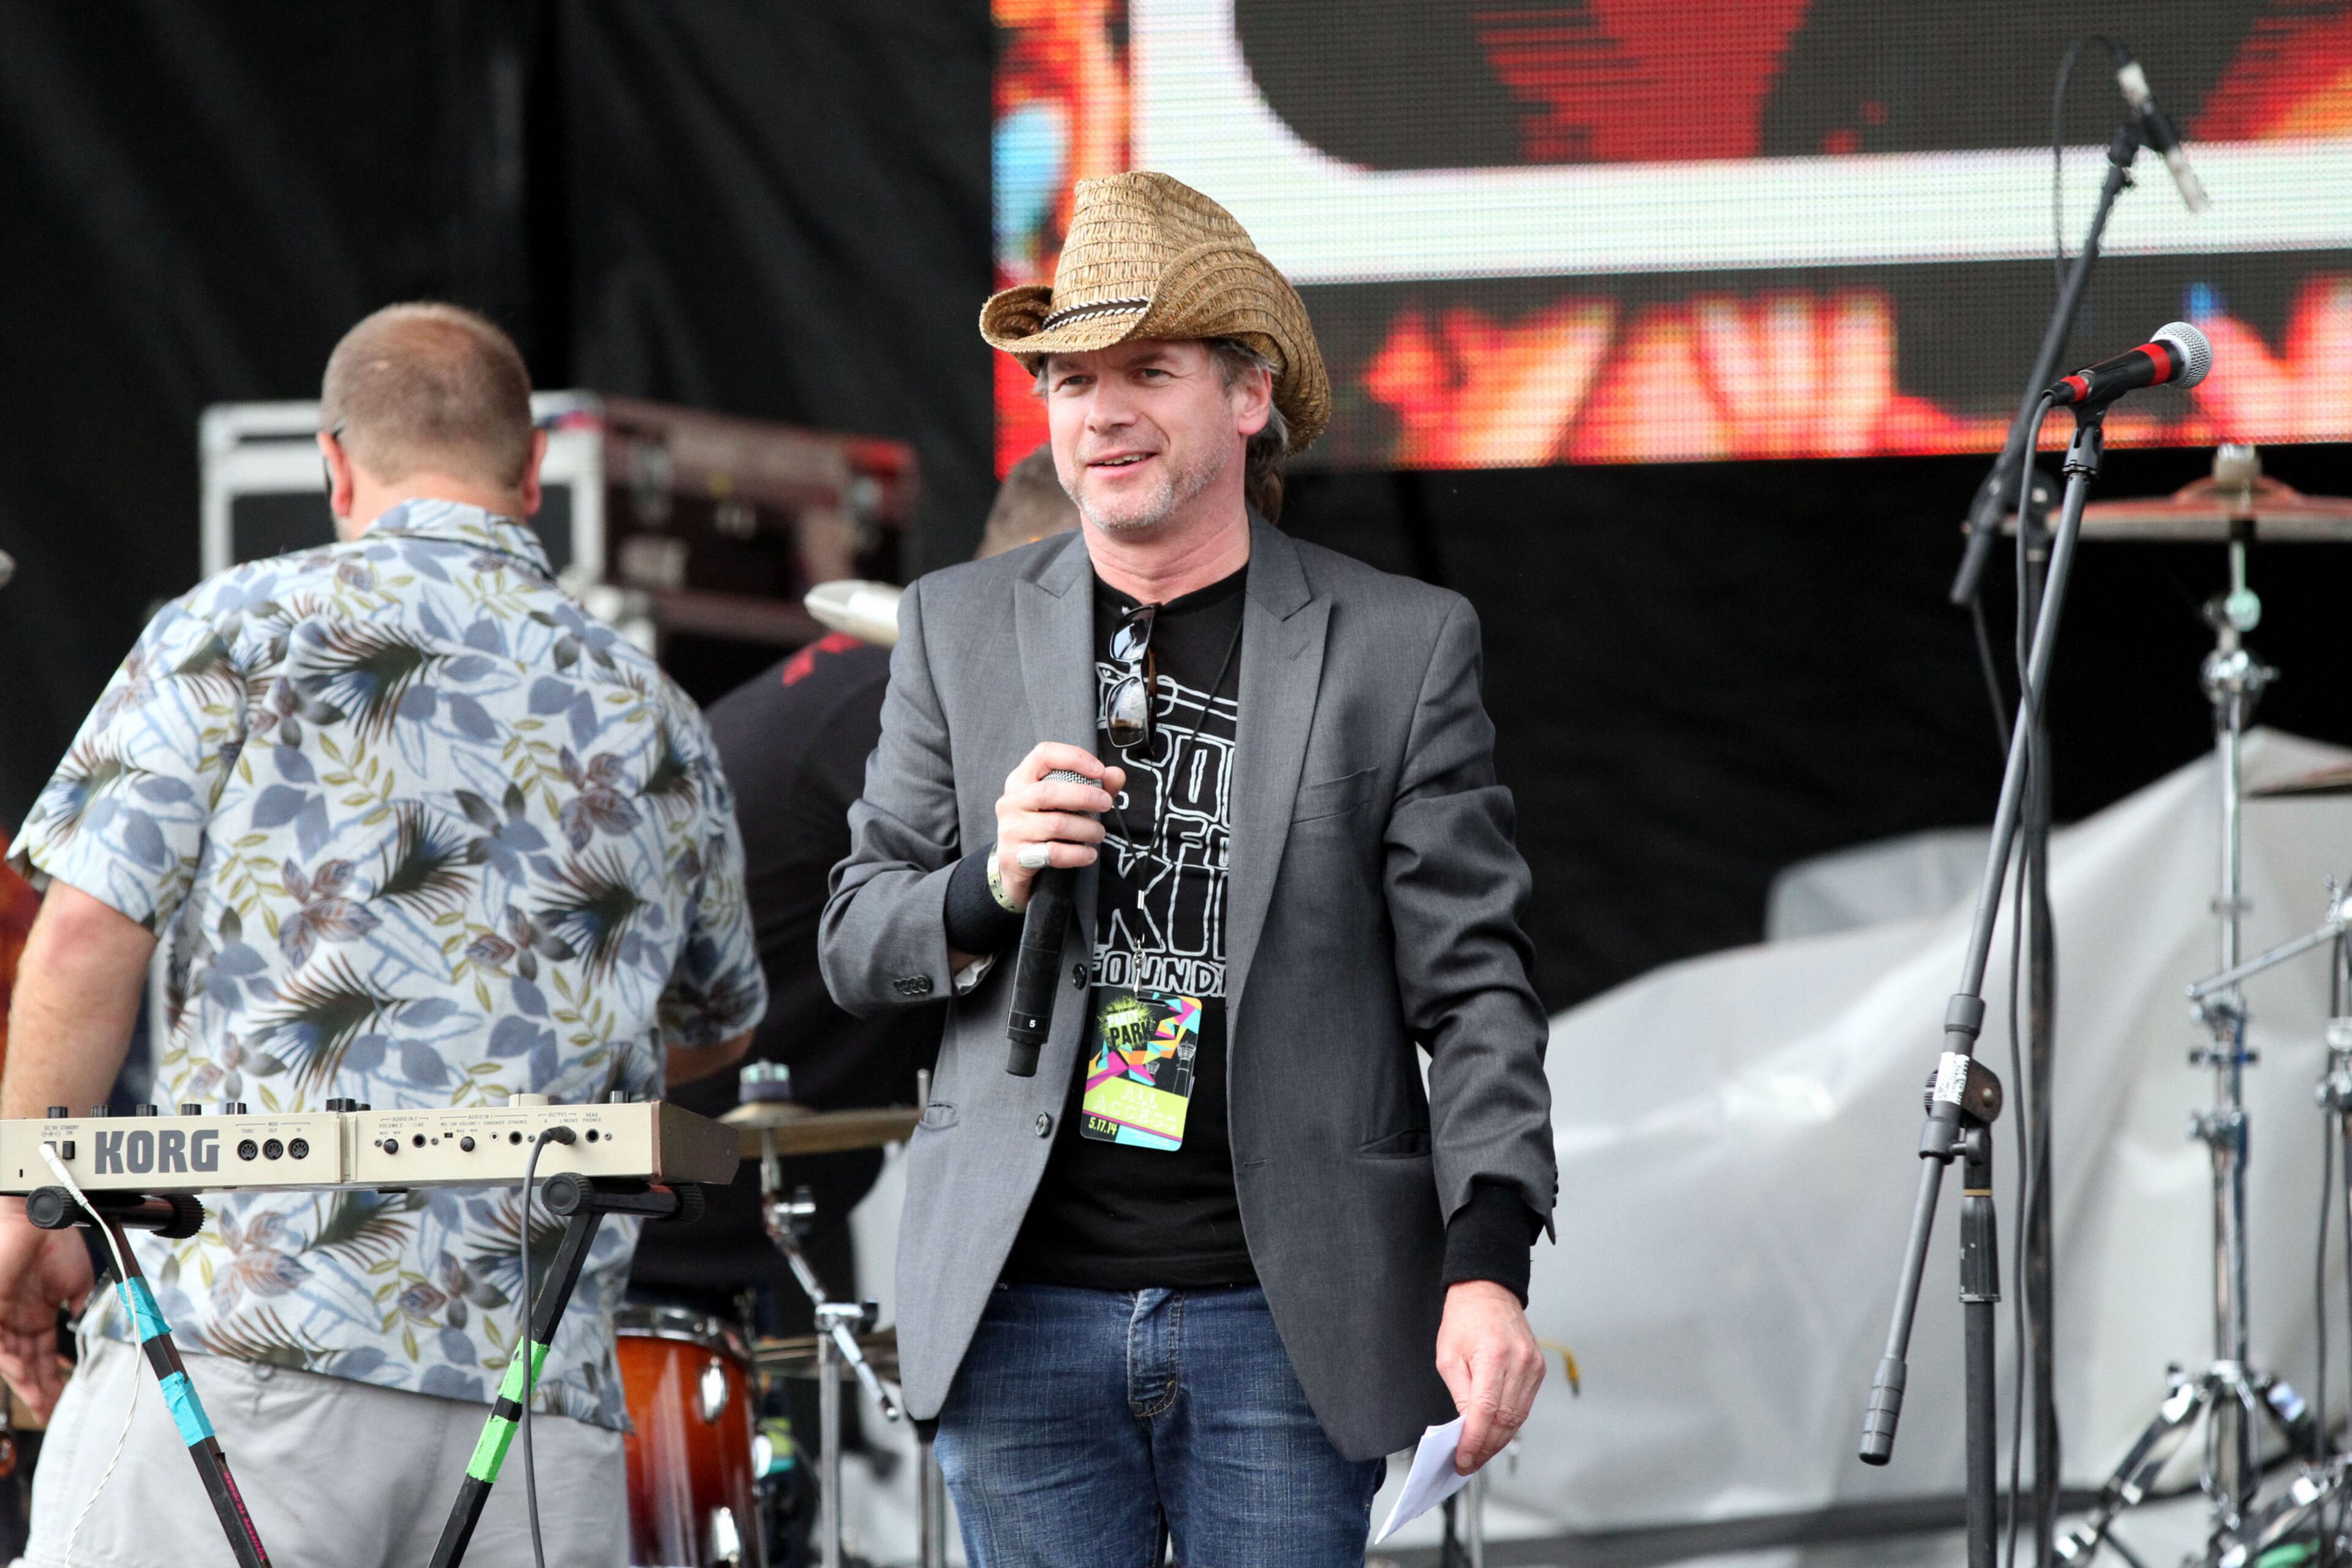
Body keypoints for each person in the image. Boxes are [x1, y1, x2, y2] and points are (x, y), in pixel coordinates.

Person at [820, 172, 1557, 1566]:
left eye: (1148, 371)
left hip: (1281, 1318)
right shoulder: (956, 626)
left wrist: (1488, 1264)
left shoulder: (1398, 643)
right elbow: (859, 941)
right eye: (1071, 379)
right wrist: (989, 882)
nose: (1101, 412)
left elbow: (1476, 993)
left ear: (1249, 393)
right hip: (1020, 1315)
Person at [0, 302, 764, 1568]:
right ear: (532, 472)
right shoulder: (658, 711)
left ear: (335, 465)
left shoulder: (236, 625)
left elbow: (84, 932)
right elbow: (713, 1025)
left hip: (250, 1348)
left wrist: (25, 1205)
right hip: (538, 1401)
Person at [625, 445, 1079, 1551]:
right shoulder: (895, 708)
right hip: (677, 1213)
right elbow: (1062, 928)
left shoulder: (876, 680)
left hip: (750, 1195)